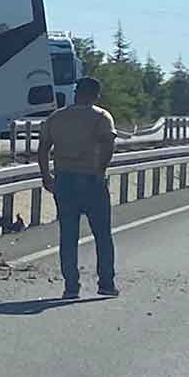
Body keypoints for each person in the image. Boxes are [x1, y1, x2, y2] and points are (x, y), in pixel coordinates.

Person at [39, 76, 118, 299]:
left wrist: (47, 176)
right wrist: (100, 170)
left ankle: (71, 287)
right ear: (96, 95)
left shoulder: (57, 117)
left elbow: (43, 148)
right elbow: (108, 146)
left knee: (68, 235)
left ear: (76, 92)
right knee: (102, 235)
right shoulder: (101, 117)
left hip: (64, 180)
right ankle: (106, 283)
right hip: (91, 179)